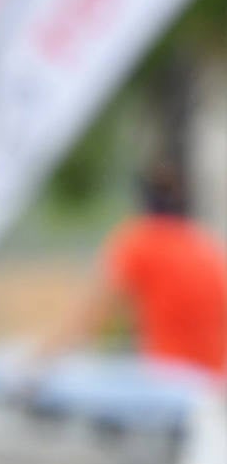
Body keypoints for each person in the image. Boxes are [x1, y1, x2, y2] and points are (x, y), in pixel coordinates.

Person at [26, 160, 227, 418]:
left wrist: (37, 366)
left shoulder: (139, 241)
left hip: (172, 385)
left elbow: (89, 315)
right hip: (213, 384)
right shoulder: (203, 243)